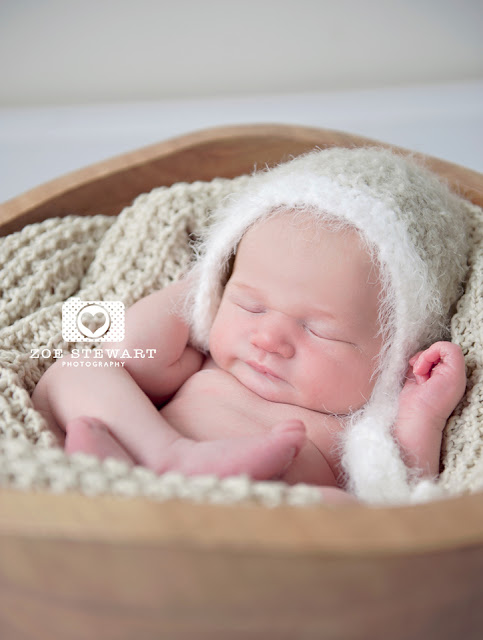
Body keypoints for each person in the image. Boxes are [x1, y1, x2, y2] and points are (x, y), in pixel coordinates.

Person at [32, 147, 469, 504]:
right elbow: (124, 349)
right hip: (135, 461)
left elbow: (398, 488)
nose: (269, 339)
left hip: (248, 523)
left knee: (347, 512)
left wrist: (424, 410)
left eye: (319, 330)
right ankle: (167, 454)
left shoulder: (357, 426)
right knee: (76, 368)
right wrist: (198, 285)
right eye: (251, 305)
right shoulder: (202, 365)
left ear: (393, 355)